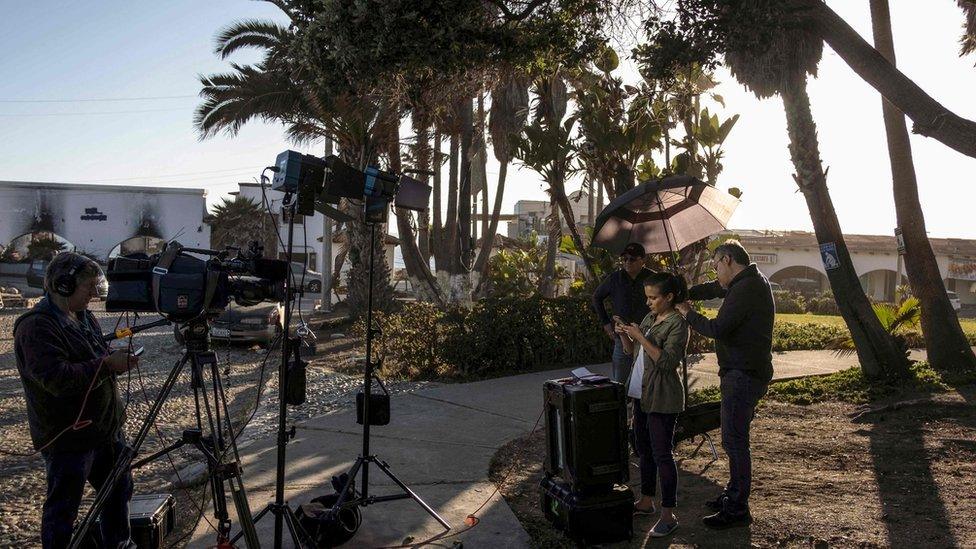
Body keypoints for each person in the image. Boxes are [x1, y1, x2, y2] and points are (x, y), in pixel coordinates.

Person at [14, 252, 138, 548]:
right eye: (88, 289)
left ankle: (118, 543)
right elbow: (57, 378)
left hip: (105, 430)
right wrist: (107, 365)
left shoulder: (83, 316)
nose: (94, 296)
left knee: (118, 490)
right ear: (64, 286)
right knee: (63, 510)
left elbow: (93, 355)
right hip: (69, 438)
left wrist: (113, 360)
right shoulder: (36, 326)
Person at [675, 240, 774, 529]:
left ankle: (738, 509)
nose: (715, 272)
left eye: (716, 265)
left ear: (728, 259)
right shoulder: (748, 280)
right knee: (734, 439)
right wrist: (685, 293)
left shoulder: (747, 288)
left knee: (735, 441)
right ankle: (733, 495)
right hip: (742, 372)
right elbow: (713, 289)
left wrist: (686, 312)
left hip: (742, 374)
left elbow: (717, 328)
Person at [616, 272, 689, 538]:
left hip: (662, 398)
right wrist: (625, 335)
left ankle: (668, 515)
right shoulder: (650, 319)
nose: (648, 303)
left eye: (653, 298)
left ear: (669, 297)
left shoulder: (678, 325)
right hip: (641, 395)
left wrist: (641, 337)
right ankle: (647, 501)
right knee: (644, 451)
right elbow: (632, 353)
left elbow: (667, 362)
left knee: (662, 454)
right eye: (647, 297)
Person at [592, 242, 656, 384]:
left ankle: (639, 406)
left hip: (648, 337)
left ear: (643, 260)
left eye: (632, 259)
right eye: (624, 259)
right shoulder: (615, 278)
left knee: (645, 383)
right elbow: (597, 297)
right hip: (622, 337)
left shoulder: (653, 279)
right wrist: (606, 324)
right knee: (620, 384)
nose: (627, 262)